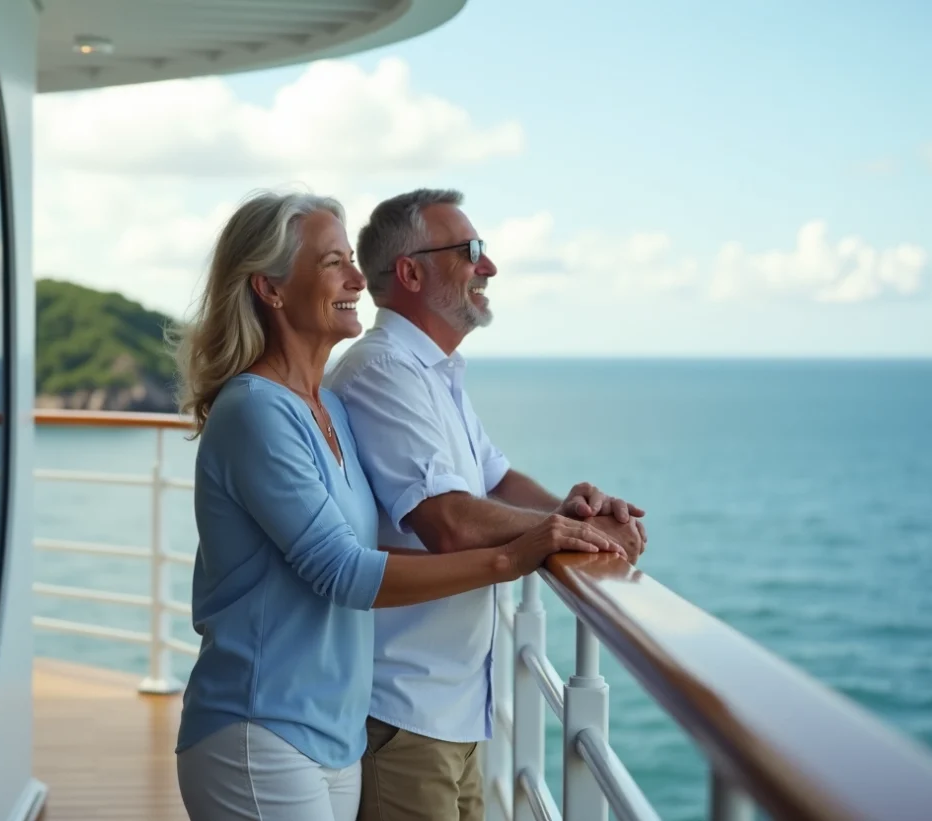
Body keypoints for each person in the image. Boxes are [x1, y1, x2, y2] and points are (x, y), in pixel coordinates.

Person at [168, 190, 623, 821]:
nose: (359, 278)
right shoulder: (256, 411)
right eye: (333, 263)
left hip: (332, 731)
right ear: (270, 290)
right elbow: (345, 570)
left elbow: (479, 486)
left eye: (352, 259)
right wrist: (517, 554)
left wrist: (570, 515)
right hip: (260, 724)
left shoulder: (327, 410)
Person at [324, 188, 648, 821]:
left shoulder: (433, 372)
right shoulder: (383, 370)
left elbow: (495, 482)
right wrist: (570, 534)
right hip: (402, 707)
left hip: (454, 706)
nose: (488, 267)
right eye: (470, 251)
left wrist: (576, 512)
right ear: (411, 272)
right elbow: (448, 521)